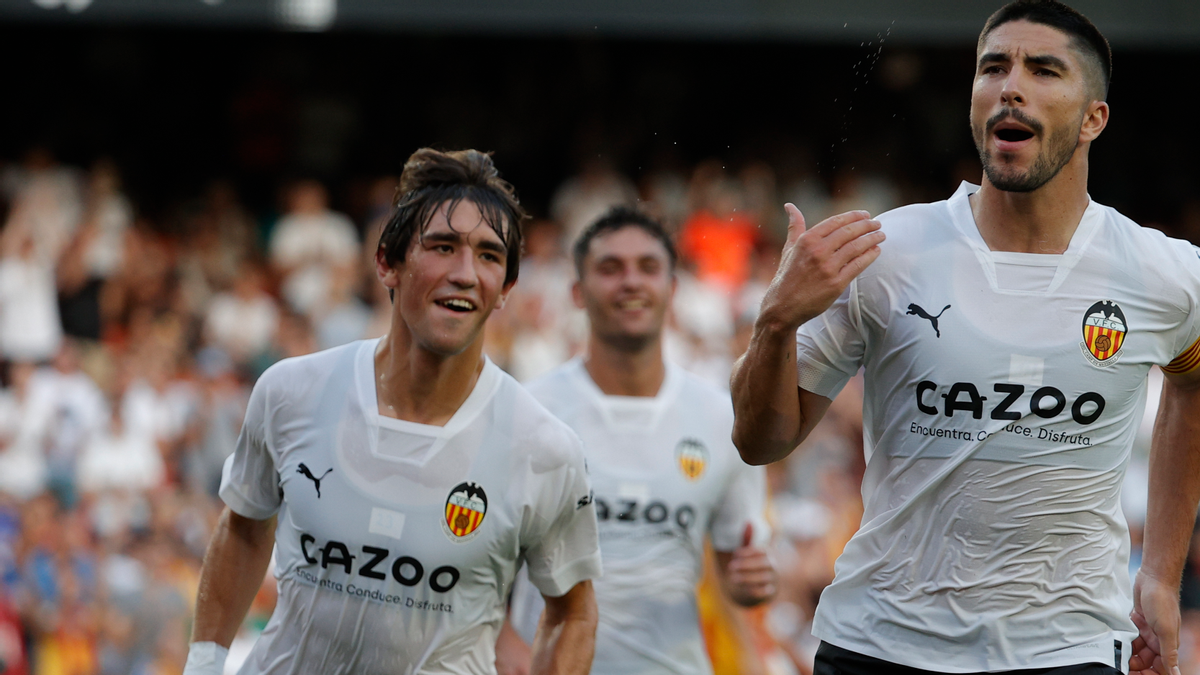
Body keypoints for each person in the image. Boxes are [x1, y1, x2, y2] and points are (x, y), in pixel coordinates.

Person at [730, 2, 1200, 674]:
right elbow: (759, 440)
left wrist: (1159, 573)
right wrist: (775, 321)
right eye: (993, 67)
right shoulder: (885, 252)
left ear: (1094, 116)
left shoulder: (1163, 272)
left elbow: (1192, 378)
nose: (1011, 85)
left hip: (1069, 651)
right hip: (881, 643)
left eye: (1043, 70)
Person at [183, 148, 602, 675]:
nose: (466, 274)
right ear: (388, 262)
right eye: (443, 247)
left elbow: (574, 613)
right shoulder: (291, 391)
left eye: (490, 256)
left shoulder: (545, 448)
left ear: (506, 291)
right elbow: (244, 528)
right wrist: (202, 664)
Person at [499, 206, 776, 675]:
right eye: (610, 268)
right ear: (577, 292)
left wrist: (752, 581)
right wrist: (503, 638)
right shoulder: (528, 411)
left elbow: (739, 567)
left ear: (672, 290)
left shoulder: (720, 418)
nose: (631, 282)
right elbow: (479, 560)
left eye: (648, 267)